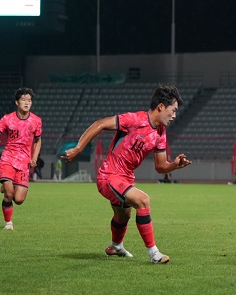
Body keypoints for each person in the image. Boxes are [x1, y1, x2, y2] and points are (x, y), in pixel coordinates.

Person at [62, 85, 191, 264]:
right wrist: (78, 148)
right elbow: (99, 124)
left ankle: (116, 246)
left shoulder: (160, 133)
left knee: (123, 216)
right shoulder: (134, 119)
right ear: (161, 107)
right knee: (143, 200)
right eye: (173, 110)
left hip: (125, 177)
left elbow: (161, 167)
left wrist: (175, 165)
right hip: (109, 175)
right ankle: (154, 253)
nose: (175, 115)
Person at [0, 88, 42, 231]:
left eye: (29, 100)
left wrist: (34, 157)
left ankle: (6, 185)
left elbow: (38, 140)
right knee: (9, 194)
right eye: (23, 100)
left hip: (24, 162)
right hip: (8, 158)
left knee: (18, 200)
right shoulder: (7, 119)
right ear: (17, 102)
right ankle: (8, 223)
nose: (27, 103)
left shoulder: (36, 121)